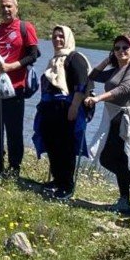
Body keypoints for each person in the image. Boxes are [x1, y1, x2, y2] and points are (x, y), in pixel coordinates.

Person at [83, 34, 130, 213]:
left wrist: (98, 98)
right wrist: (108, 59)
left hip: (125, 119)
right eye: (117, 48)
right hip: (112, 118)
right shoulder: (114, 69)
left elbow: (123, 89)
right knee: (117, 160)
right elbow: (93, 75)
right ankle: (125, 200)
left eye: (125, 48)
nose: (121, 51)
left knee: (109, 158)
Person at [0, 0, 39, 177]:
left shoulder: (25, 27)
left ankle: (14, 166)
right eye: (3, 7)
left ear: (16, 8)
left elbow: (33, 55)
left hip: (15, 86)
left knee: (14, 128)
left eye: (9, 6)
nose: (6, 10)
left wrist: (11, 67)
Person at [33, 24, 92, 199]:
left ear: (68, 38)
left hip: (67, 107)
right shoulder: (54, 60)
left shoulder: (75, 58)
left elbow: (82, 84)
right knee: (52, 143)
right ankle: (57, 179)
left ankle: (67, 185)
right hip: (50, 107)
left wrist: (74, 106)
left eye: (61, 36)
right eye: (54, 37)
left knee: (66, 146)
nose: (57, 40)